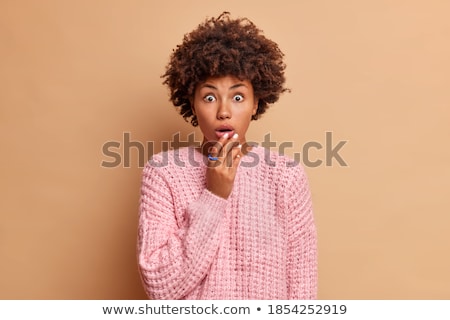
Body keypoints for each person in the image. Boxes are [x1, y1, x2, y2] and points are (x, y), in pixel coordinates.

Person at [137, 12, 317, 300]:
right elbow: (161, 286)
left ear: (256, 103)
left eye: (237, 97)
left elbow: (302, 288)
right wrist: (214, 195)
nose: (223, 111)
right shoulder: (163, 172)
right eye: (209, 97)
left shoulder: (285, 175)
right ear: (191, 104)